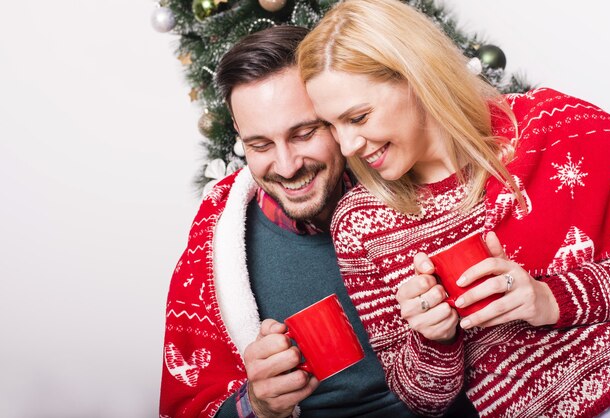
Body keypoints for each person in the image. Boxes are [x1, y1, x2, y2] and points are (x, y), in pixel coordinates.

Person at [297, 0, 610, 417]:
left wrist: (550, 297)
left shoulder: (552, 125)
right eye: (331, 126)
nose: (347, 147)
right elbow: (422, 399)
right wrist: (433, 337)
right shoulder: (360, 223)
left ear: (417, 77)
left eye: (358, 117)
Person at [159, 25, 476, 418]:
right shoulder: (218, 247)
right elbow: (187, 405)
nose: (288, 166)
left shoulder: (422, 187)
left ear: (336, 117)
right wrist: (256, 404)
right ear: (239, 135)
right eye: (260, 145)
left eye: (305, 133)